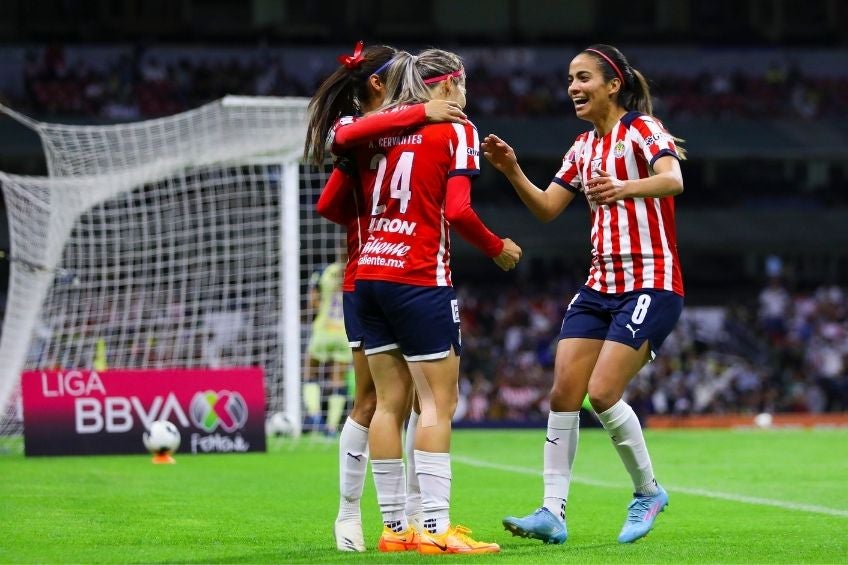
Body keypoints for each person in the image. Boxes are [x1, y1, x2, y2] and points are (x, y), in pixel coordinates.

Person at [482, 43, 686, 544]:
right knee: (563, 393)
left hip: (651, 282)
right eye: (570, 79)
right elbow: (549, 207)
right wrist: (511, 170)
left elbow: (673, 179)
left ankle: (648, 491)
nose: (573, 86)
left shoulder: (643, 130)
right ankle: (552, 511)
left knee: (602, 393)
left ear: (613, 84)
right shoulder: (581, 146)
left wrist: (623, 187)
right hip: (599, 286)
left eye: (583, 78)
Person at [354, 48, 522, 555]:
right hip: (419, 276)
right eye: (465, 82)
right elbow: (458, 208)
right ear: (447, 84)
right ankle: (434, 529)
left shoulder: (381, 128)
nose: (467, 93)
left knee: (388, 405)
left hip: (369, 271)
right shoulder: (457, 129)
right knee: (437, 404)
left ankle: (393, 529)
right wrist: (497, 248)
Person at [304, 41, 467, 553]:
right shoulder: (366, 131)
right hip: (370, 276)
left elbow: (330, 206)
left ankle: (412, 520)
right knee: (374, 401)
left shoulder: (397, 131)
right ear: (379, 83)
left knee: (419, 399)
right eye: (401, 73)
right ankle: (350, 515)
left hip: (379, 272)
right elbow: (330, 201)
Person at [302, 250, 350, 436]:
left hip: (324, 330)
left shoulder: (323, 272)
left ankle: (314, 414)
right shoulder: (356, 271)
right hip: (345, 331)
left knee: (310, 371)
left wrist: (319, 308)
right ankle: (331, 427)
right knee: (337, 379)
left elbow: (313, 300)